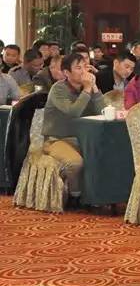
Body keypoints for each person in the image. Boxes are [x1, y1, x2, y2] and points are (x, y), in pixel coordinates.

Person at [41, 53, 106, 202]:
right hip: (56, 139)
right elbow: (73, 112)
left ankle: (98, 197)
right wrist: (87, 89)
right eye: (78, 68)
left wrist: (94, 88)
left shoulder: (87, 87)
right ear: (66, 72)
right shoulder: (58, 89)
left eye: (85, 67)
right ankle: (75, 196)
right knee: (75, 163)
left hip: (83, 139)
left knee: (107, 155)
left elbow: (102, 111)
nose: (84, 71)